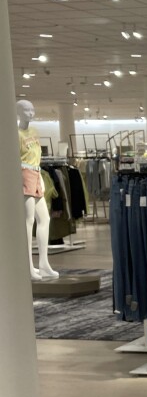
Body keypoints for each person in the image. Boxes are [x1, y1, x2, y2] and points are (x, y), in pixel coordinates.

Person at [17, 100, 58, 281]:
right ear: (19, 112)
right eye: (26, 110)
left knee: (45, 218)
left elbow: (37, 155)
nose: (31, 113)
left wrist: (40, 175)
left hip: (36, 172)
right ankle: (28, 266)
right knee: (28, 221)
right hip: (24, 173)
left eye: (32, 109)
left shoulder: (34, 132)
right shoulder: (15, 134)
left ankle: (43, 263)